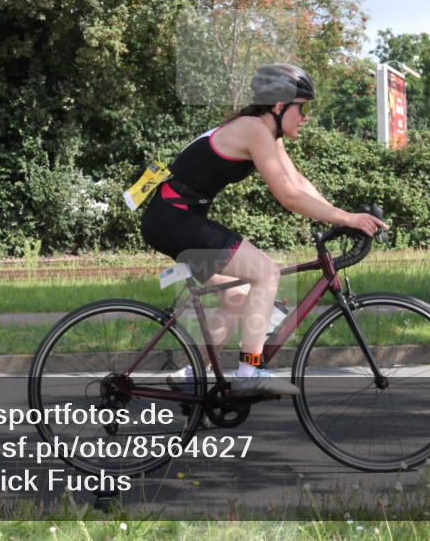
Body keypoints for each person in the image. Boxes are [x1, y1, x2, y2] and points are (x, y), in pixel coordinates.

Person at [140, 64, 386, 396]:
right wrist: (346, 218)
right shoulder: (253, 129)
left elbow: (297, 182)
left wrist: (343, 217)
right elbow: (288, 197)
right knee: (266, 272)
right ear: (279, 106)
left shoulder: (266, 133)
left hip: (172, 218)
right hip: (175, 218)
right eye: (302, 108)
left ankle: (191, 375)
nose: (305, 117)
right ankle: (249, 371)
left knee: (236, 296)